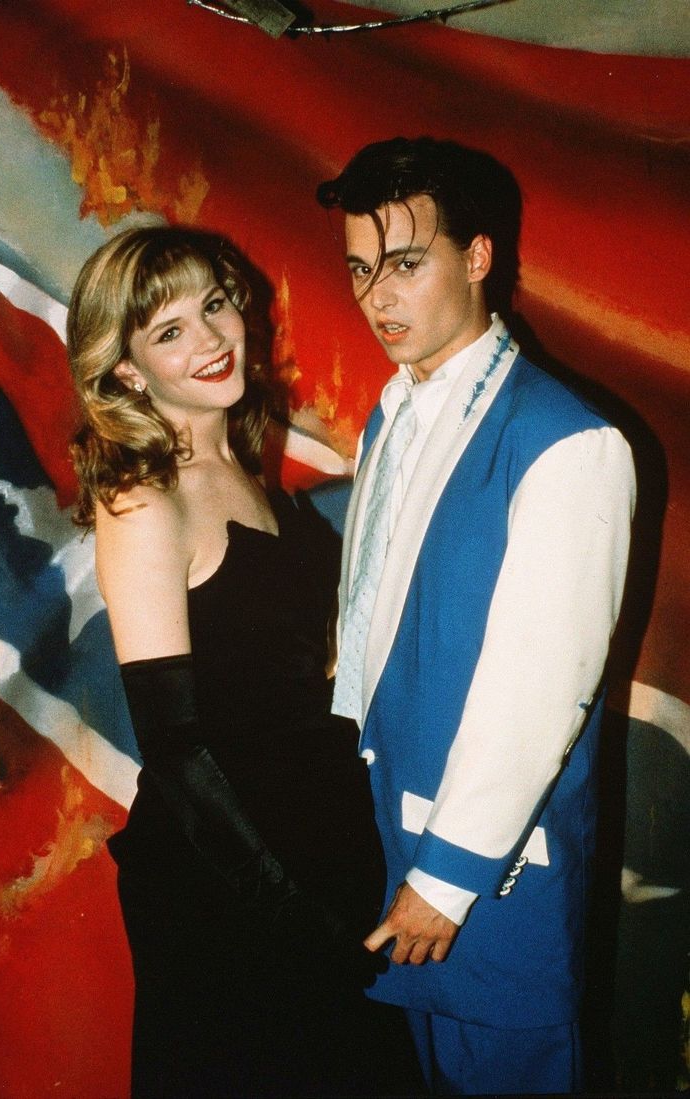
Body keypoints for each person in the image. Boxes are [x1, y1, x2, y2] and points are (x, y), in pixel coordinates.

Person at [66, 225, 421, 1098]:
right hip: (230, 883)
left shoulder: (242, 461)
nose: (213, 338)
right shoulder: (142, 499)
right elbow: (178, 753)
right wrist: (292, 912)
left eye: (214, 305)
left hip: (315, 846)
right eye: (169, 330)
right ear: (125, 372)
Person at [316, 137, 636, 1095]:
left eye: (406, 264)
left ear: (477, 257)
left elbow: (538, 695)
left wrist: (444, 877)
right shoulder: (391, 412)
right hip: (388, 843)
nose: (377, 297)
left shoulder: (567, 442)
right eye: (361, 269)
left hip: (484, 878)